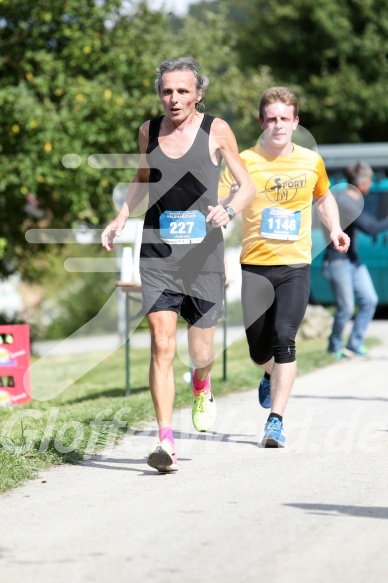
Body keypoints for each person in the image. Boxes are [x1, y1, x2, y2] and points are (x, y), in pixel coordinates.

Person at [101, 57, 255, 472]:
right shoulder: (148, 131)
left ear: (198, 94)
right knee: (162, 343)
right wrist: (121, 216)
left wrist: (230, 211)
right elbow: (142, 178)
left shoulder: (216, 130)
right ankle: (165, 440)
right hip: (158, 253)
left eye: (183, 91)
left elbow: (247, 185)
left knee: (200, 349)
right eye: (167, 90)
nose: (174, 98)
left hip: (203, 256)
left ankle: (201, 385)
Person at [218, 86, 350, 448]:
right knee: (259, 351)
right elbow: (223, 204)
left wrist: (335, 228)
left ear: (295, 122)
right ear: (262, 122)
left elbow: (323, 198)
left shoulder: (311, 161)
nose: (277, 125)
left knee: (284, 339)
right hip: (255, 265)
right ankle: (268, 374)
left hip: (295, 265)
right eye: (271, 118)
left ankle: (275, 421)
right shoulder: (243, 161)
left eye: (284, 119)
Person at [323, 162, 388, 358]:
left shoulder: (352, 200)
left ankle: (354, 343)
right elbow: (371, 228)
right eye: (368, 181)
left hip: (353, 260)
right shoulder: (345, 202)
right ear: (361, 183)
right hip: (337, 261)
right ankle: (334, 347)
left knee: (369, 300)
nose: (369, 185)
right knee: (346, 307)